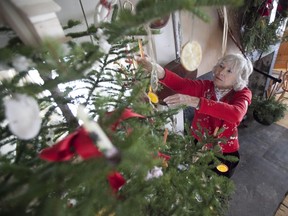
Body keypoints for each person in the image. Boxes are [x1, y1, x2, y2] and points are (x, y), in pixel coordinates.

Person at [137, 53, 253, 178]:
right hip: (198, 142)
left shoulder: (243, 94)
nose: (221, 72)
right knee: (195, 178)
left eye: (229, 71)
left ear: (238, 78)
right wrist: (155, 68)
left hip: (223, 151)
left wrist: (195, 101)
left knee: (216, 184)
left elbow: (236, 114)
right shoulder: (206, 87)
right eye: (221, 66)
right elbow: (181, 84)